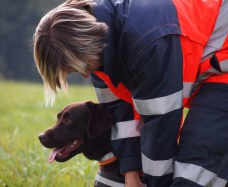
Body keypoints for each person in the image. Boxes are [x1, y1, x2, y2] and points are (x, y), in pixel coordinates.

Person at [33, 0, 228, 186]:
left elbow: (161, 130)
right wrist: (131, 173)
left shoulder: (148, 44)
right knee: (112, 180)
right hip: (205, 67)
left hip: (224, 67)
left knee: (194, 169)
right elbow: (120, 116)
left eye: (80, 66)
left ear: (85, 45)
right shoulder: (98, 48)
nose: (85, 74)